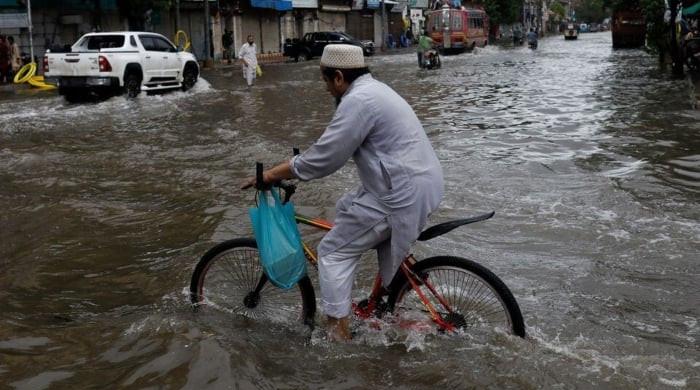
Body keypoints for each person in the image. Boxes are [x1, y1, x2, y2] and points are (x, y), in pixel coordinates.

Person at [240, 45, 444, 341]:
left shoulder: (358, 101)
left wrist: (271, 174)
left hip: (400, 192)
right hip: (415, 182)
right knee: (346, 205)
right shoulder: (375, 90)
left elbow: (325, 157)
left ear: (338, 77)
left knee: (332, 252)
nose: (326, 90)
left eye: (325, 82)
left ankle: (338, 331)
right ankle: (381, 303)